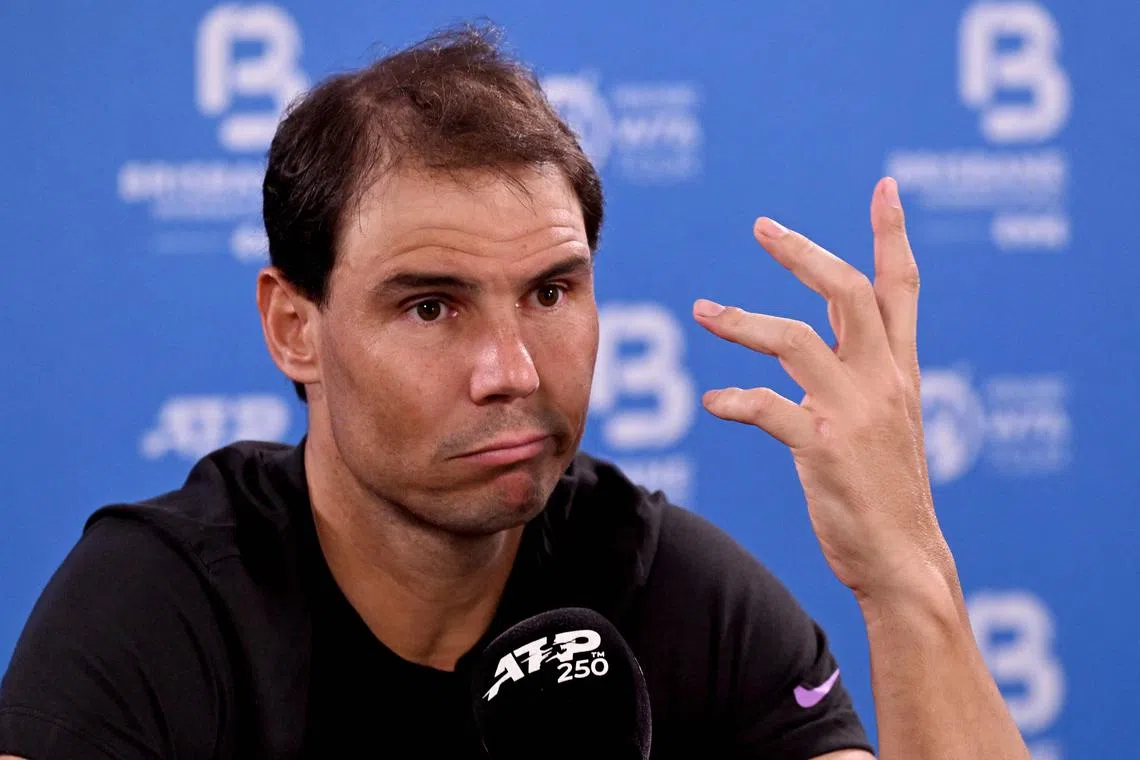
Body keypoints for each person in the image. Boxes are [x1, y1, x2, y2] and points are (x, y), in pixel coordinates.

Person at [0, 23, 1028, 760]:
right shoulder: (162, 607)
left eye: (550, 292)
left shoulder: (675, 593)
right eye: (431, 307)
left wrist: (905, 574)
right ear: (293, 328)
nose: (514, 372)